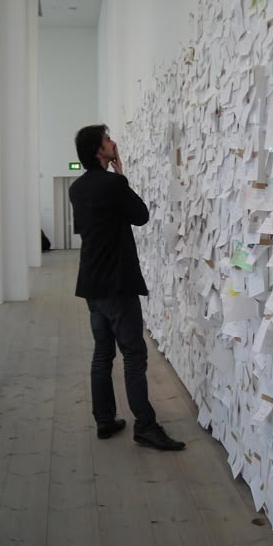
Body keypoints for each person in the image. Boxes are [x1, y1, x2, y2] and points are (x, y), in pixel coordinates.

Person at [69, 124, 185, 451]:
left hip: (92, 284)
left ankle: (104, 420)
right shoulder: (114, 183)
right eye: (107, 140)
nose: (114, 142)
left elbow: (85, 227)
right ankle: (145, 426)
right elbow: (141, 215)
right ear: (98, 150)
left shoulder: (76, 189)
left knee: (102, 354)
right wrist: (122, 175)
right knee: (134, 354)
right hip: (117, 284)